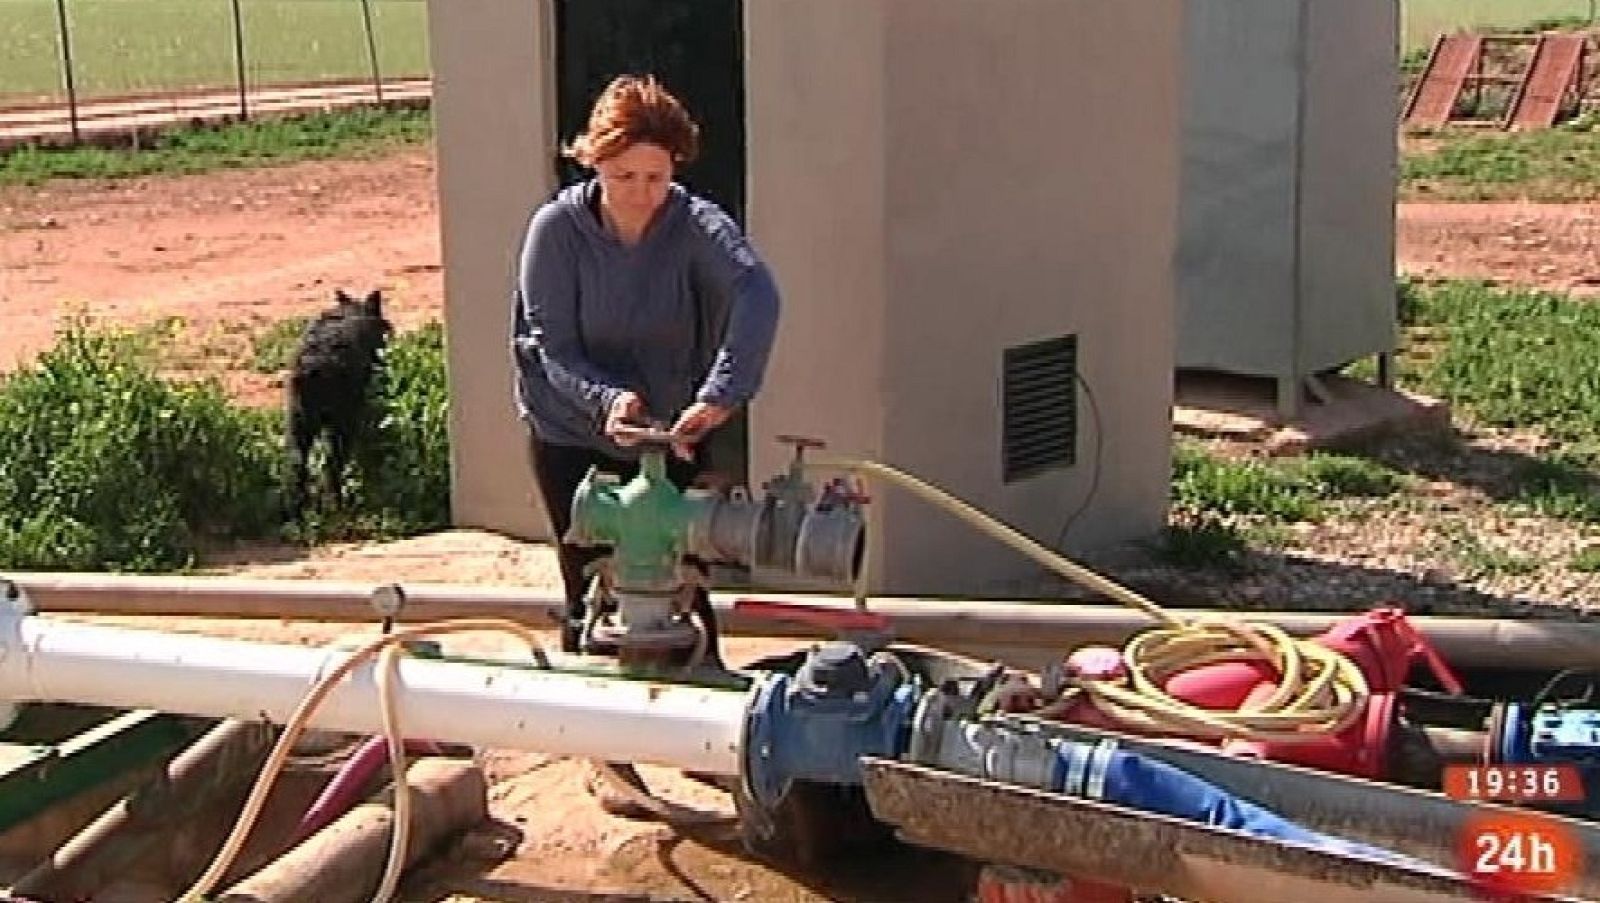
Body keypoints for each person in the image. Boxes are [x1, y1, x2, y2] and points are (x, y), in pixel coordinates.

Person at [511, 74, 781, 660]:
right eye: (622, 177)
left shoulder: (695, 225)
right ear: (593, 164)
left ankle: (701, 714)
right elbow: (551, 346)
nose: (640, 193)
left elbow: (756, 290)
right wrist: (608, 400)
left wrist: (721, 394)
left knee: (683, 577)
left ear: (676, 168)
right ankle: (592, 724)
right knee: (589, 587)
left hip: (668, 430)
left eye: (656, 177)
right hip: (570, 431)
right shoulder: (555, 232)